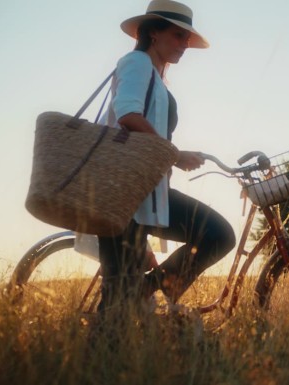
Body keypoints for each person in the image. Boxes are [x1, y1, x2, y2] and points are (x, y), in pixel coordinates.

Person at [96, 0, 235, 313]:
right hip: (124, 192)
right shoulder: (137, 63)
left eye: (187, 38)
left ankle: (146, 290)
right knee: (117, 305)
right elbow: (128, 114)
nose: (184, 44)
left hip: (146, 193)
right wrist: (174, 154)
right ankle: (136, 301)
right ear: (153, 33)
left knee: (218, 235)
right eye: (178, 35)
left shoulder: (156, 76)